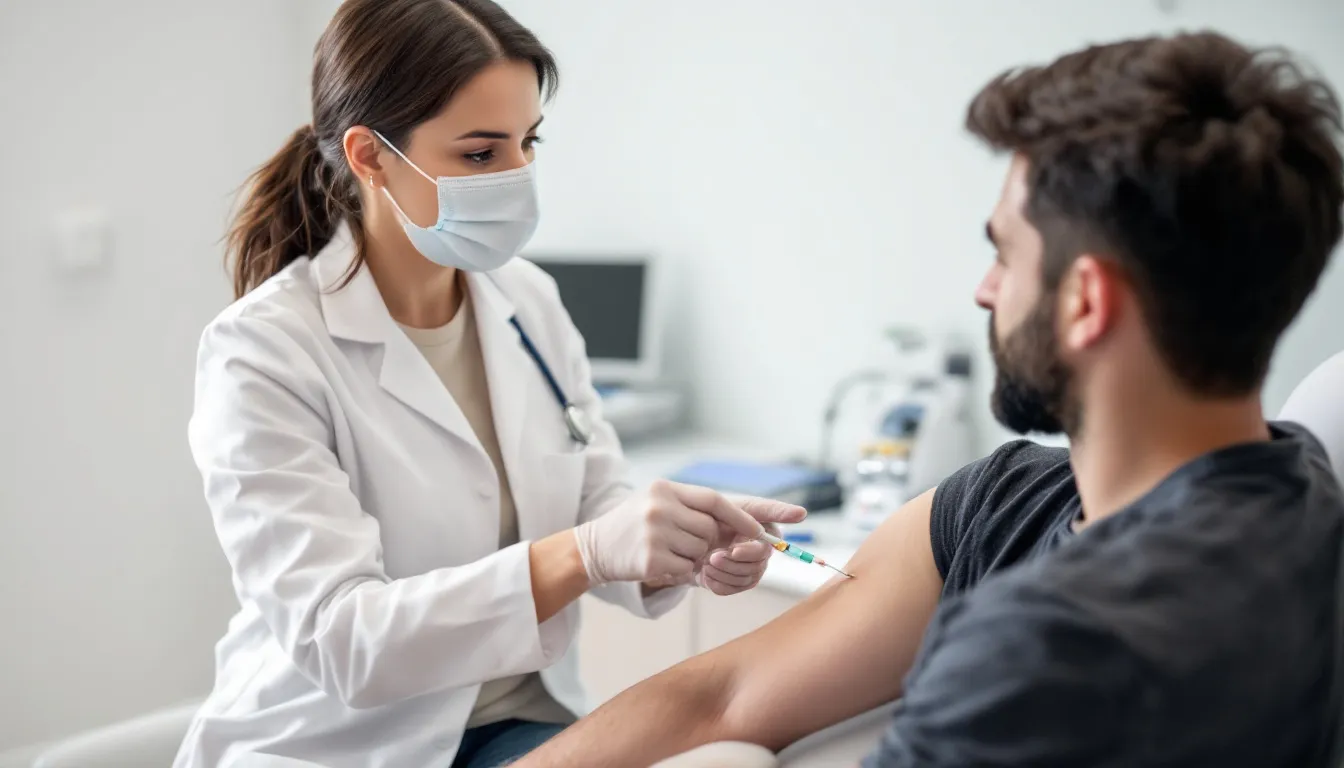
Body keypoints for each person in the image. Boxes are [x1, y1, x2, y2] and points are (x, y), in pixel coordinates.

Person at [516, 31, 1344, 768]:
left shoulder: (1057, 652)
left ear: (1085, 302)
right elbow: (723, 695)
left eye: (1005, 256)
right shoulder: (1279, 479)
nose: (985, 292)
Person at [177, 1, 804, 766]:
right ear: (371, 157)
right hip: (344, 746)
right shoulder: (263, 353)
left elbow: (597, 496)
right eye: (480, 155)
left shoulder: (527, 299)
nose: (518, 177)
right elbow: (344, 641)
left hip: (521, 720)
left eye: (527, 143)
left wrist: (679, 541)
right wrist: (585, 554)